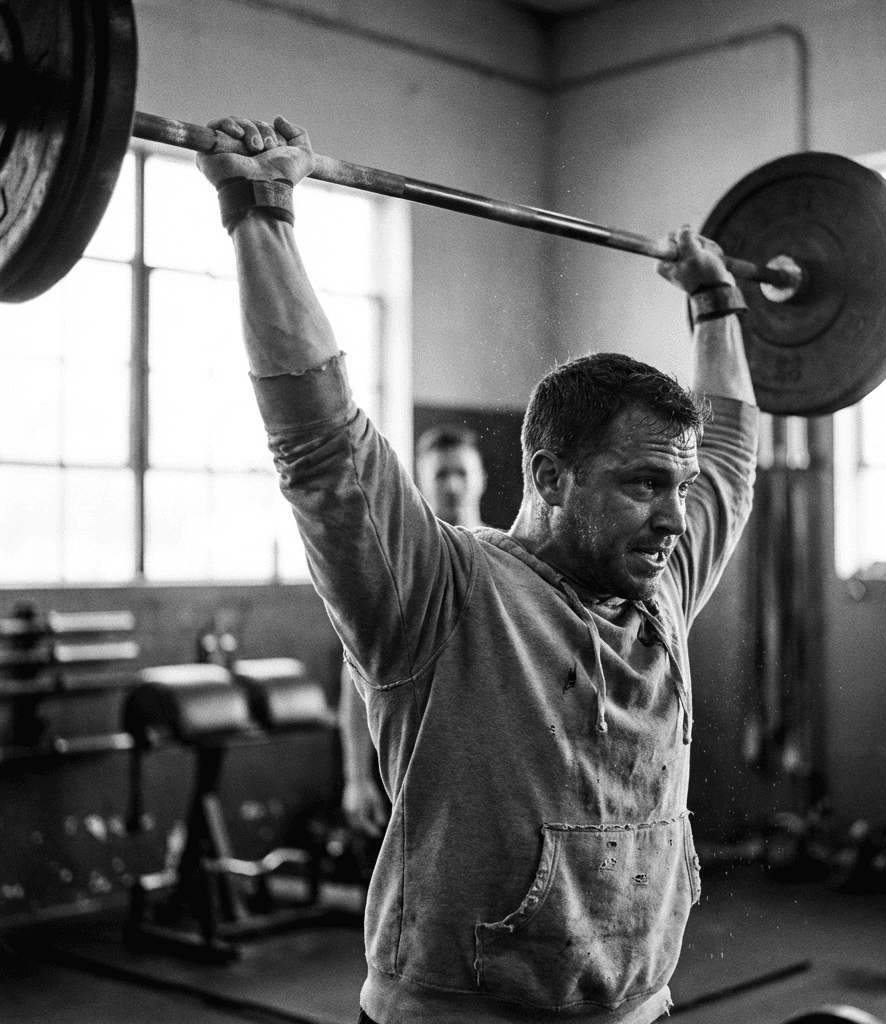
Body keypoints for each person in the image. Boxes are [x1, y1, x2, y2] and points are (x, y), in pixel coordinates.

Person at [197, 114, 757, 1024]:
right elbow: (322, 446)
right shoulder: (442, 592)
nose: (672, 515)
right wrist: (259, 211)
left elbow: (729, 456)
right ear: (550, 476)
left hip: (639, 1008)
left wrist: (717, 302)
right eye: (643, 484)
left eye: (678, 487)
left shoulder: (662, 585)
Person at [340, 425, 488, 841]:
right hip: (418, 767)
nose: (453, 486)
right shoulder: (399, 569)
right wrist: (356, 778)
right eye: (441, 475)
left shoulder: (507, 557)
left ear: (481, 478)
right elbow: (356, 677)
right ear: (421, 482)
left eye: (462, 473)